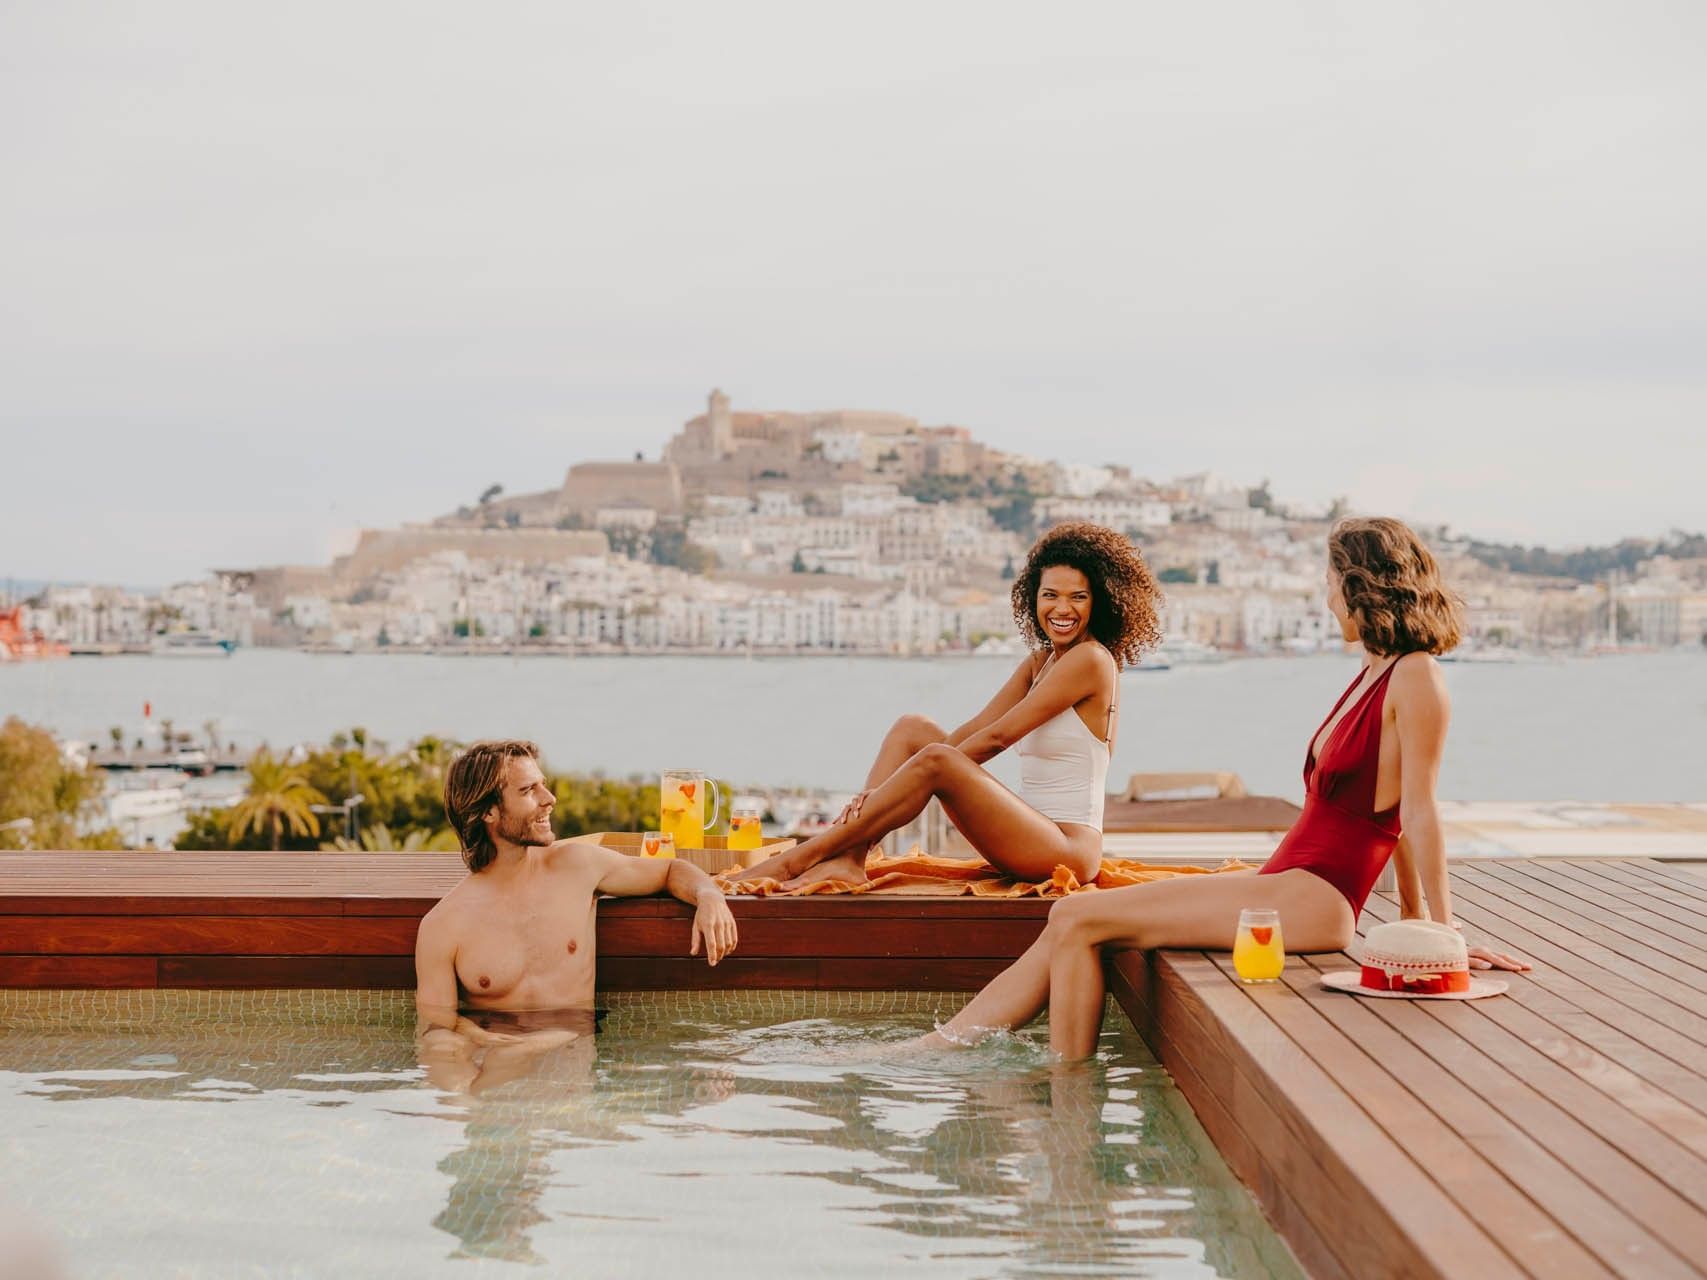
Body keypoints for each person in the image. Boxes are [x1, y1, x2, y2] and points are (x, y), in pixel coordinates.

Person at [926, 517, 1530, 1060]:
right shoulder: (1373, 672)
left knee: (1082, 919)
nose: (1325, 599)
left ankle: (1062, 1097)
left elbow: (1417, 811)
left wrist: (1439, 935)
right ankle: (944, 1047)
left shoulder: (1417, 675)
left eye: (1329, 583)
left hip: (1317, 898)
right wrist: (1410, 918)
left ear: (1359, 585)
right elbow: (1392, 806)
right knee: (1072, 916)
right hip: (1285, 881)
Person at [732, 522, 1162, 890]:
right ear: (1033, 597)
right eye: (1050, 595)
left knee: (935, 757)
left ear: (1100, 602)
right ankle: (849, 858)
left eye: (1078, 598)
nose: (1061, 609)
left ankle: (801, 857)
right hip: (1029, 833)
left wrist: (905, 783)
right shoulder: (1041, 662)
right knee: (913, 730)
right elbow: (977, 726)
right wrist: (892, 790)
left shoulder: (1091, 660)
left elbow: (997, 739)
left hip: (1066, 850)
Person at [415, 740, 739, 1041]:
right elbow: (437, 1030)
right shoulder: (443, 925)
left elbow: (670, 870)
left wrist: (709, 895)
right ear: (488, 812)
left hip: (571, 1078)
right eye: (529, 789)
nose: (549, 798)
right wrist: (492, 1044)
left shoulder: (577, 867)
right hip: (495, 1075)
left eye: (543, 784)